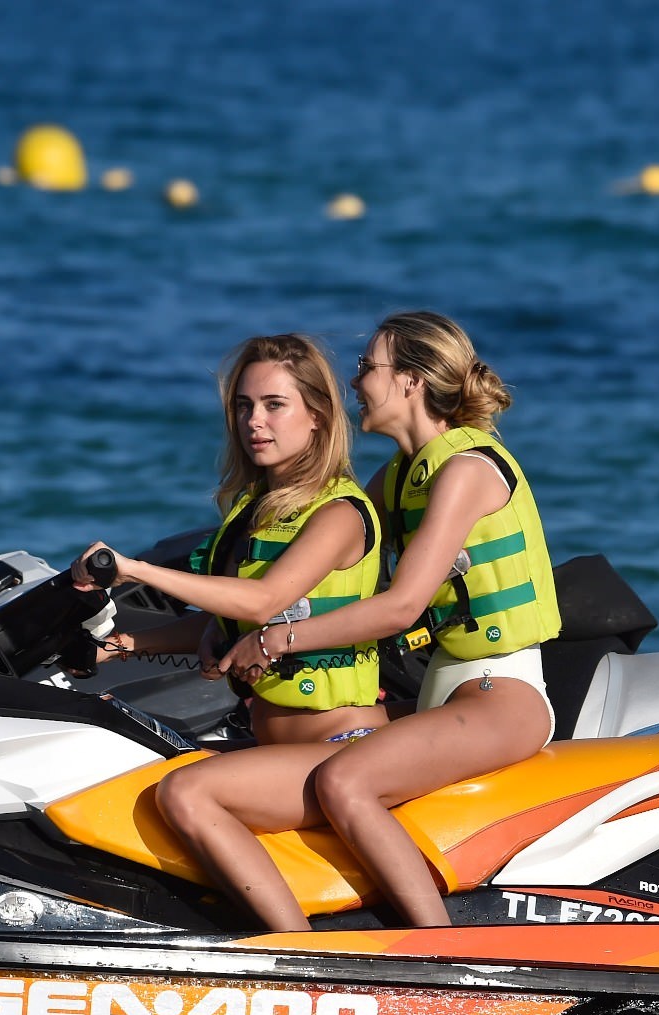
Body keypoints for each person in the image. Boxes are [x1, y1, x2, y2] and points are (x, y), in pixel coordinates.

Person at [219, 311, 560, 927]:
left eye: (366, 368)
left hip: (500, 695)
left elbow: (402, 605)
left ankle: (442, 954)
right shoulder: (401, 476)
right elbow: (326, 534)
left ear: (411, 382)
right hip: (445, 691)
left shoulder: (466, 470)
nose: (355, 383)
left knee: (345, 782)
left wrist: (278, 639)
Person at [71, 334, 384, 930]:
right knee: (130, 772)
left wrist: (131, 568)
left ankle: (299, 957)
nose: (254, 422)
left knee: (188, 793)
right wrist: (124, 645)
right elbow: (230, 623)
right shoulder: (254, 509)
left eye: (274, 405)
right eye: (243, 406)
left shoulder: (339, 513)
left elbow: (266, 599)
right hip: (279, 747)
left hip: (339, 748)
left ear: (317, 418)